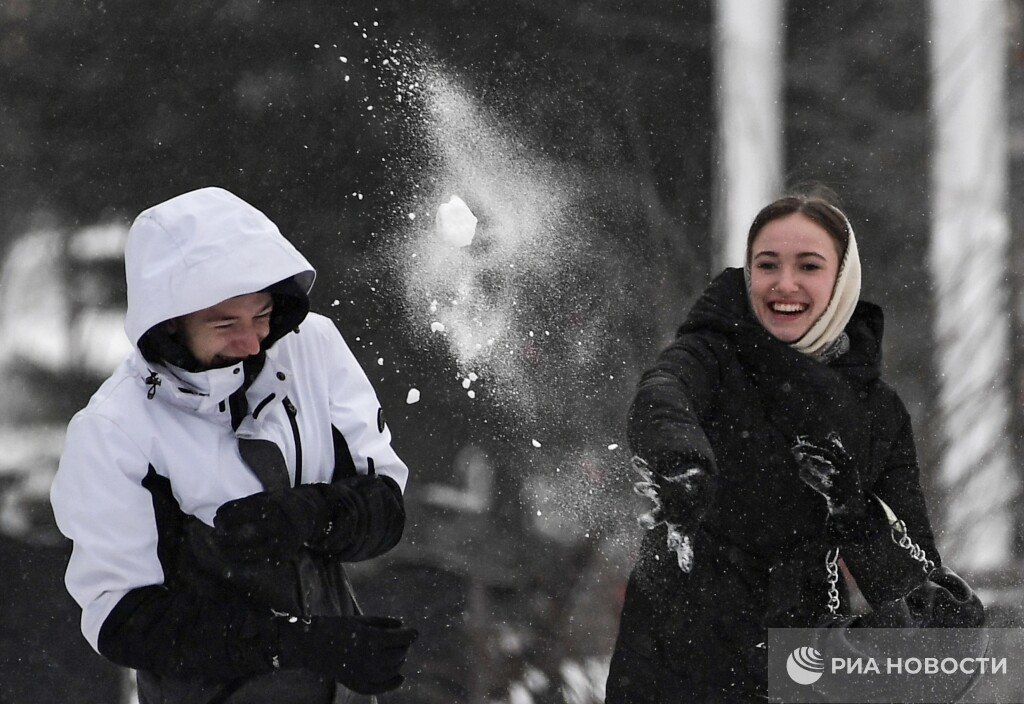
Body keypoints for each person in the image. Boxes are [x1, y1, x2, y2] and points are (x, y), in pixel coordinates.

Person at [605, 192, 982, 702]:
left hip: (795, 662)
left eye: (809, 265)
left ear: (842, 278)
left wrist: (852, 510)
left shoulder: (878, 412)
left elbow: (909, 579)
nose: (785, 284)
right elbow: (662, 393)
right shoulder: (713, 351)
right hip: (680, 651)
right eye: (768, 265)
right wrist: (682, 463)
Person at [50, 187, 418, 704]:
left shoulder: (313, 347)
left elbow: (385, 508)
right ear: (169, 323)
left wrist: (312, 514)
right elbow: (122, 620)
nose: (251, 343)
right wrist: (296, 643)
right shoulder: (113, 430)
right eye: (225, 324)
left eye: (263, 315)